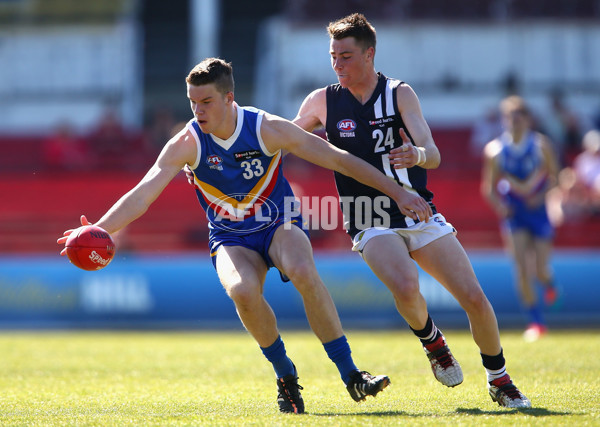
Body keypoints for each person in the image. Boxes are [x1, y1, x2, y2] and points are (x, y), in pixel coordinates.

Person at [58, 58, 435, 414]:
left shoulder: (266, 127)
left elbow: (339, 159)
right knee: (241, 291)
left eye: (206, 101)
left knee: (303, 270)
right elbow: (143, 193)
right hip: (229, 235)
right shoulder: (186, 142)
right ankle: (285, 374)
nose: (198, 111)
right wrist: (98, 230)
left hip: (280, 224)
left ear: (229, 97)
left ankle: (352, 373)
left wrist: (399, 192)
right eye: (192, 103)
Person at [291, 13, 531, 408]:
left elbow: (432, 154)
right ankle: (433, 342)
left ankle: (499, 380)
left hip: (418, 210)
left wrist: (416, 154)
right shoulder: (322, 101)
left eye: (346, 56)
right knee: (405, 286)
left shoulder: (400, 94)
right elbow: (283, 137)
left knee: (473, 297)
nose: (337, 65)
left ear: (369, 55)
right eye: (333, 56)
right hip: (367, 214)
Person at [481, 95, 560, 342]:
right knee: (522, 268)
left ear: (528, 119)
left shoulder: (541, 145)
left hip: (537, 211)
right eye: (510, 117)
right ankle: (536, 322)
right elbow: (489, 188)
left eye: (519, 117)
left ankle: (550, 284)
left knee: (540, 269)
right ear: (504, 120)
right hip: (515, 213)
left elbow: (556, 177)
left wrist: (543, 195)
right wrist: (501, 207)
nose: (514, 122)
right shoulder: (495, 151)